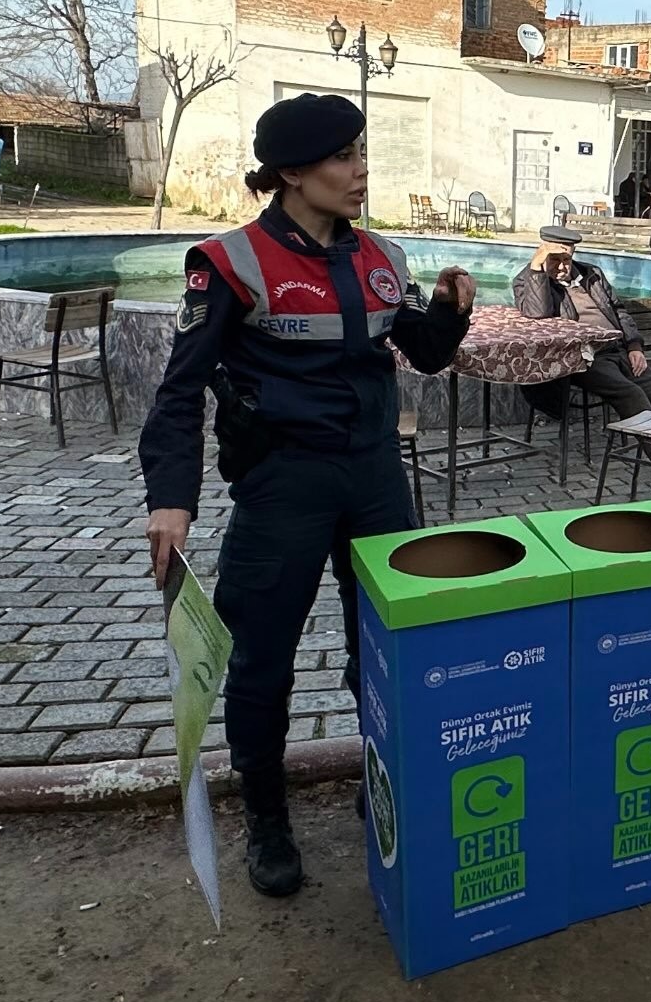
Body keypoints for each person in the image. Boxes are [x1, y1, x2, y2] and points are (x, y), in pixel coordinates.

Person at [139, 93, 475, 900]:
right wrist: (169, 497)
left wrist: (449, 313)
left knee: (387, 647)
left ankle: (383, 779)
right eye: (342, 158)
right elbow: (179, 392)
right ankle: (266, 817)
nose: (360, 172)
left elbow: (421, 355)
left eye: (361, 154)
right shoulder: (227, 263)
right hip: (281, 485)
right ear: (291, 172)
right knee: (262, 662)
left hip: (374, 479)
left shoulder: (381, 257)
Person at [514, 225, 651, 487]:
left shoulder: (591, 274)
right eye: (555, 260)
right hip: (584, 358)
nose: (562, 267)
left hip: (619, 350)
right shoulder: (527, 280)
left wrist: (635, 346)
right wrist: (537, 270)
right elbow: (538, 315)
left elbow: (619, 311)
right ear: (542, 255)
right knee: (630, 394)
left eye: (567, 259)